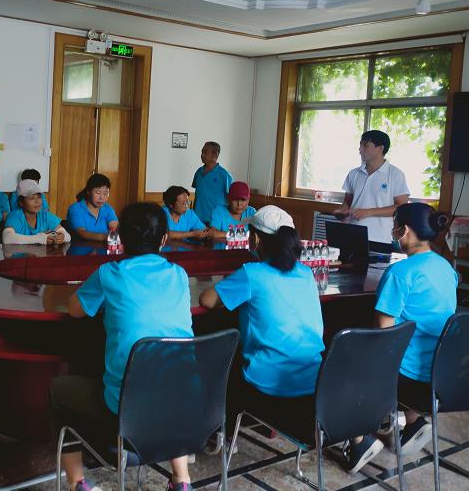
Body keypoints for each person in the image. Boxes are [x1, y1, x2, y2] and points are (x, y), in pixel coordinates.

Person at [52, 202, 193, 491]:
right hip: (184, 403)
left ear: (121, 239)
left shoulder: (109, 273)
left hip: (127, 409)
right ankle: (182, 480)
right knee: (168, 378)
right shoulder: (179, 274)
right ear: (164, 239)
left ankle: (77, 483)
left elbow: (76, 310)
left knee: (59, 390)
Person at [342, 203, 457, 473]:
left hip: (409, 380)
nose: (393, 232)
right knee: (414, 344)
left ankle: (359, 439)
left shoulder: (400, 273)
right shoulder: (446, 268)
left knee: (344, 359)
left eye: (395, 227)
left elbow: (384, 336)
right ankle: (413, 423)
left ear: (404, 230)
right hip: (441, 375)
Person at [200, 206, 324, 447]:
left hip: (268, 387)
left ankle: (220, 432)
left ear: (256, 239)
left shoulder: (252, 274)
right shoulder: (306, 273)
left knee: (220, 356)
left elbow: (207, 300)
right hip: (314, 383)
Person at [335, 130, 409, 247]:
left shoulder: (395, 174)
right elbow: (347, 203)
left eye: (365, 145)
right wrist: (342, 212)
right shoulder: (353, 173)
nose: (360, 149)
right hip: (351, 234)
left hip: (380, 238)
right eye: (360, 144)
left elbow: (402, 208)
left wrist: (369, 212)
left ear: (380, 148)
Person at [3, 180, 70, 245]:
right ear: (21, 202)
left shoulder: (45, 215)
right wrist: (40, 238)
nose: (37, 201)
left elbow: (68, 236)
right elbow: (7, 238)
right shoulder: (15, 216)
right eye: (32, 198)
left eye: (39, 197)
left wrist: (62, 237)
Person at [66, 173, 119, 242]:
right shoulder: (75, 209)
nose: (102, 197)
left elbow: (115, 227)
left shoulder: (108, 209)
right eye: (98, 193)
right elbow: (81, 233)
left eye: (106, 193)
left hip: (103, 248)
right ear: (88, 191)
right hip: (80, 248)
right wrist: (104, 237)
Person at [191, 141, 233, 225]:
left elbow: (230, 199)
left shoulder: (224, 175)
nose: (202, 155)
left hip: (216, 219)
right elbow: (198, 194)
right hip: (197, 218)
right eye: (202, 152)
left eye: (205, 152)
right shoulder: (198, 172)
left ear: (215, 155)